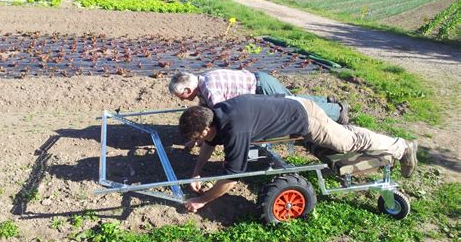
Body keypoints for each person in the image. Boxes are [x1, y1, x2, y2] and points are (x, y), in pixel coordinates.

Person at [179, 95, 418, 213]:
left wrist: (202, 200)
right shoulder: (215, 115)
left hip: (305, 117)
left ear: (206, 127)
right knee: (343, 136)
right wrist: (197, 172)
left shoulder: (234, 129)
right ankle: (347, 129)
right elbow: (210, 144)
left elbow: (232, 177)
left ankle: (403, 147)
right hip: (291, 106)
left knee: (347, 143)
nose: (197, 142)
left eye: (197, 137)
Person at [169, 70, 348, 124]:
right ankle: (326, 101)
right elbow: (206, 109)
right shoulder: (203, 80)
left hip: (261, 88)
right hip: (261, 81)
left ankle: (337, 111)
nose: (182, 100)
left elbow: (220, 113)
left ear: (187, 90)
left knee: (295, 106)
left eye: (180, 96)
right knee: (293, 99)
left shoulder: (208, 88)